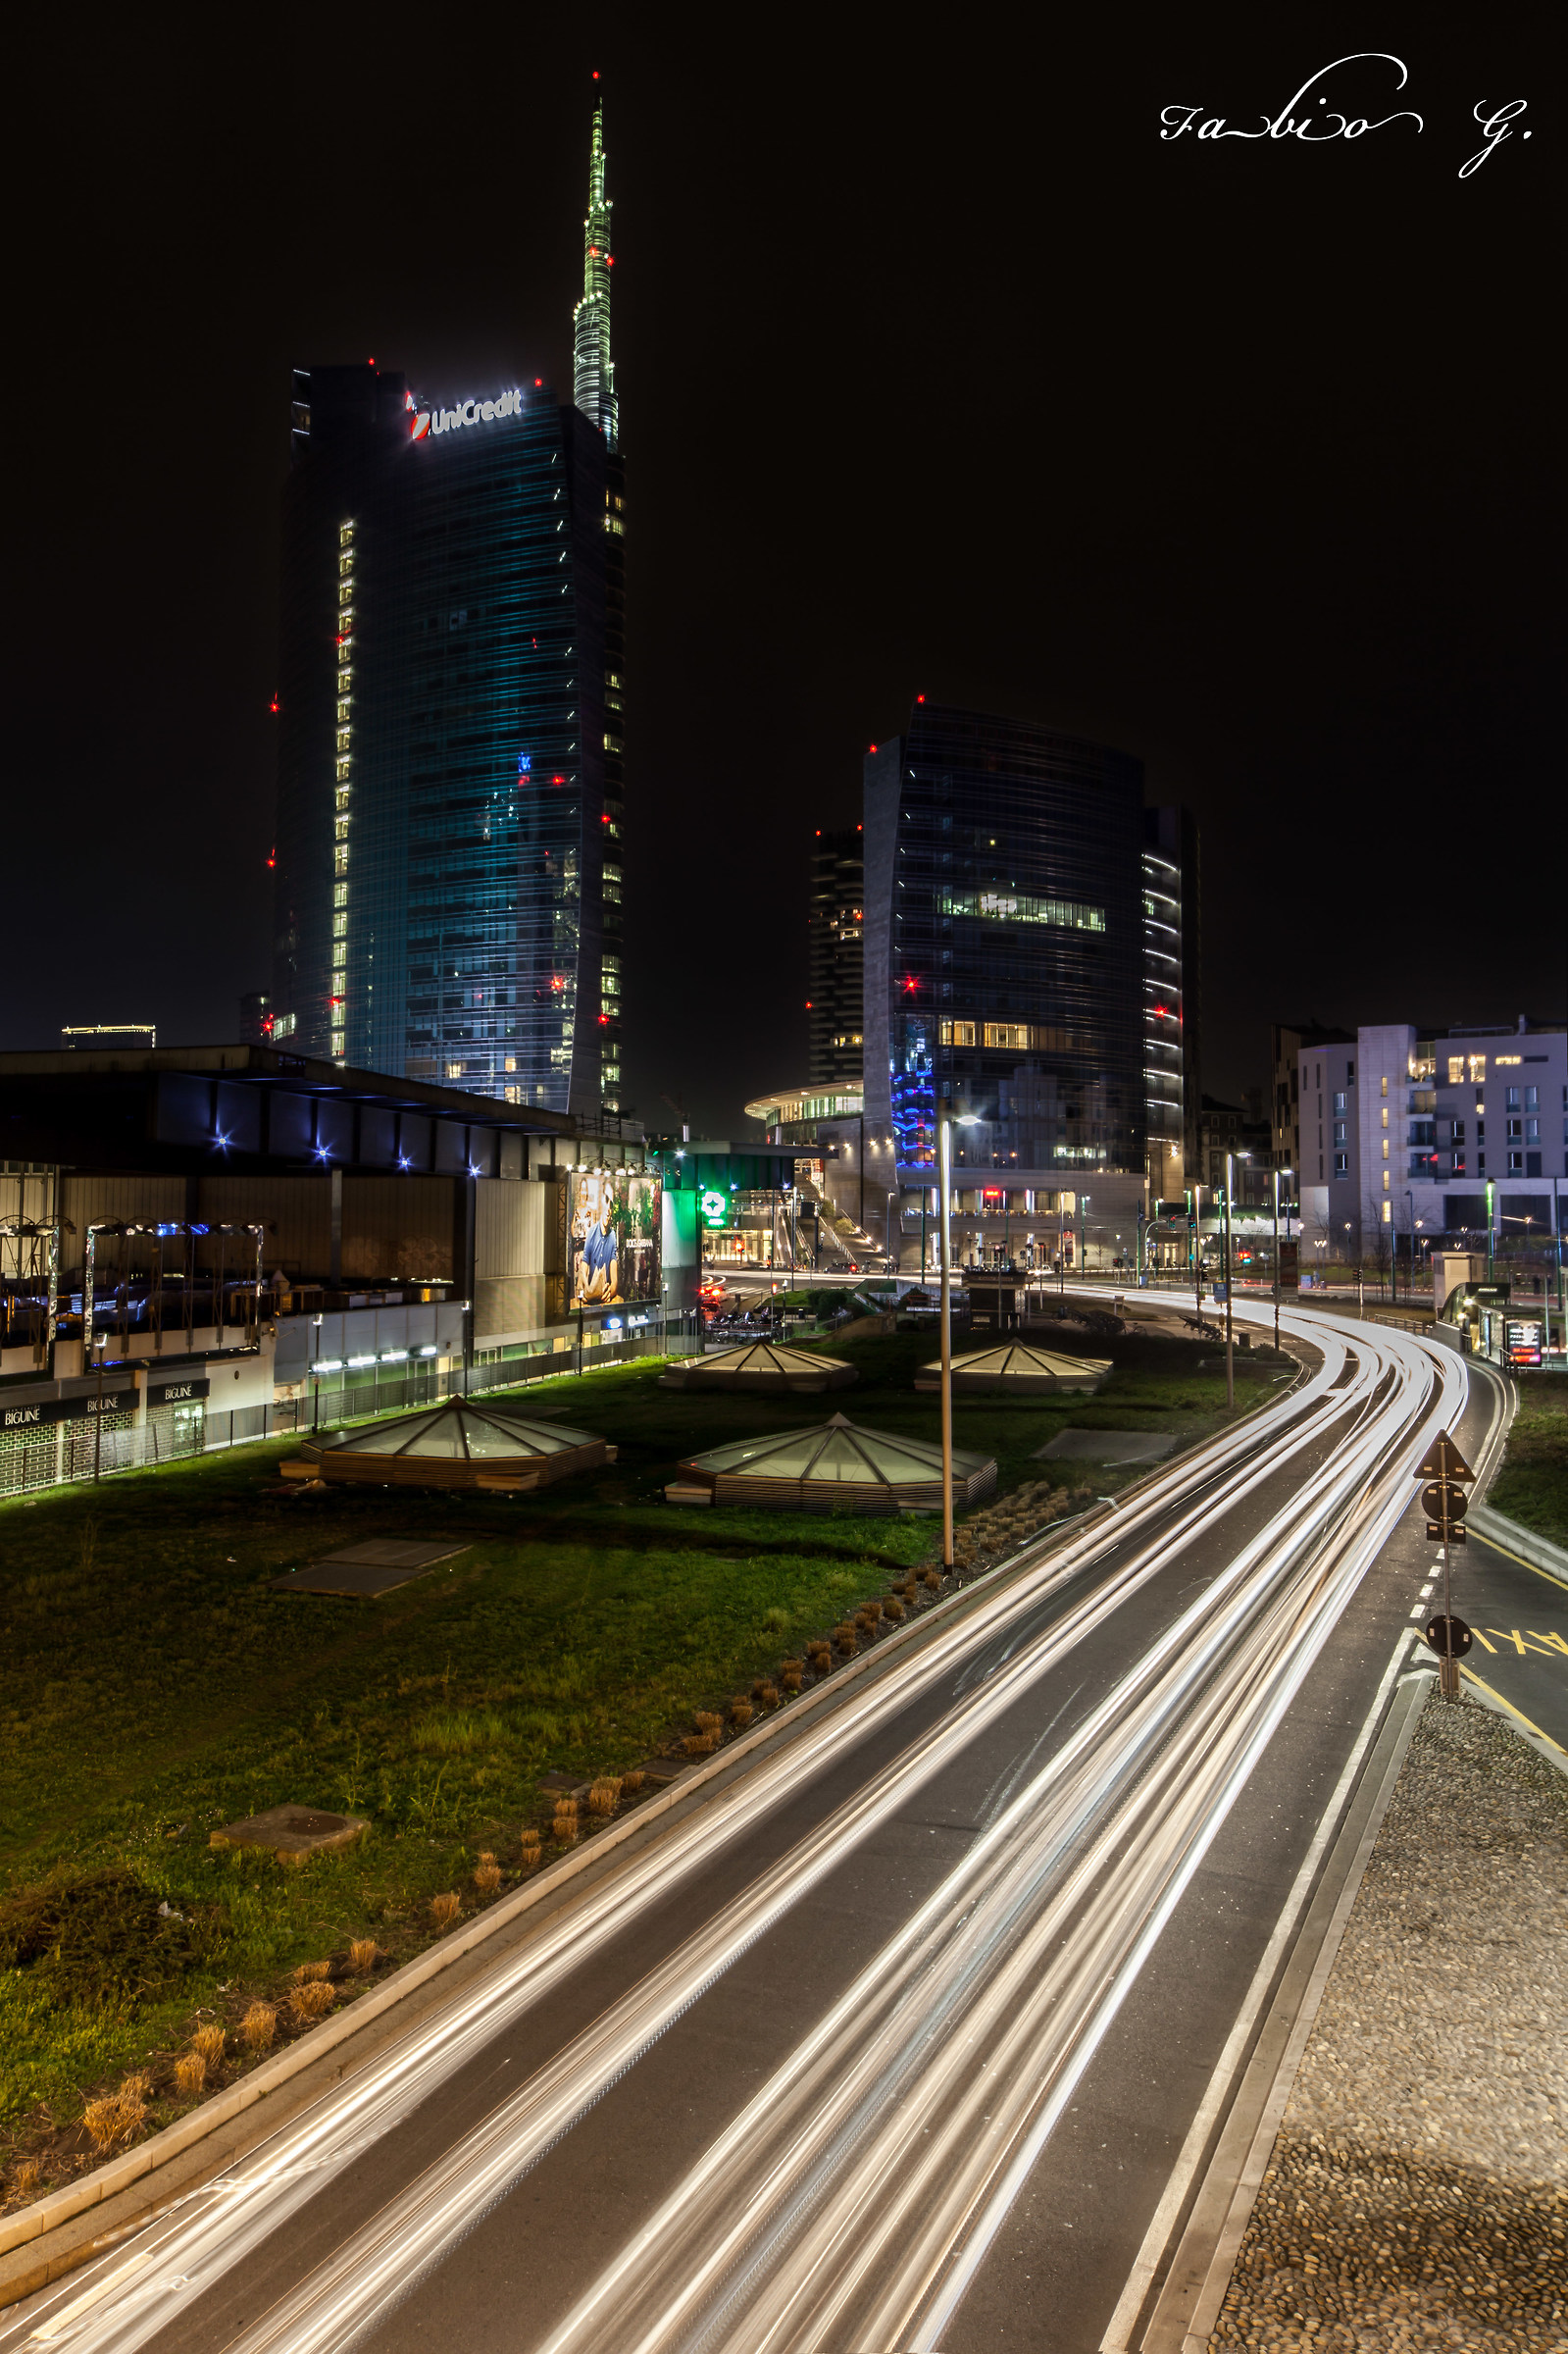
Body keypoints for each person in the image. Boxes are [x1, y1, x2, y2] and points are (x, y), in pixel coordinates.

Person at [580, 1200, 620, 1303]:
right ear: (602, 1209)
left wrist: (612, 1290)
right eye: (606, 1208)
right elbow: (585, 1260)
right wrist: (580, 1286)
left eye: (610, 1209)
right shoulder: (591, 1232)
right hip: (591, 1294)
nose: (608, 1212)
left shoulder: (612, 1235)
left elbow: (614, 1267)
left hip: (605, 1294)